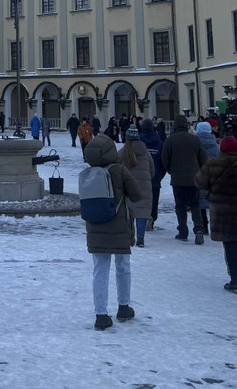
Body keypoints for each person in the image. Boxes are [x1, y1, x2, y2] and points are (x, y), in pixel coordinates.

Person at [83, 135, 141, 330]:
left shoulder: (87, 174)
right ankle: (123, 307)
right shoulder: (120, 170)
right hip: (119, 226)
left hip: (95, 228)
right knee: (123, 266)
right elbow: (137, 195)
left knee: (100, 270)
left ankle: (100, 315)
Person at [196, 135, 237, 293]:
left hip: (223, 213)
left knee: (230, 244)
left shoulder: (212, 164)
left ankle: (234, 281)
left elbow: (199, 182)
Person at [161, 115, 208, 243]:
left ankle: (183, 231)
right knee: (195, 204)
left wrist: (171, 170)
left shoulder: (170, 140)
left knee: (180, 205)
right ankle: (199, 229)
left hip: (178, 179)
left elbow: (164, 159)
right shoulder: (195, 139)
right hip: (194, 178)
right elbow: (203, 158)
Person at [120, 126, 154, 247]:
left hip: (127, 187)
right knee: (142, 213)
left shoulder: (122, 152)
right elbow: (152, 171)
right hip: (144, 187)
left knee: (129, 213)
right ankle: (140, 238)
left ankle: (129, 237)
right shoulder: (146, 153)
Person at [138, 118, 164, 231]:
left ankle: (142, 219)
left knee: (142, 199)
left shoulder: (138, 141)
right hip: (155, 176)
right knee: (154, 199)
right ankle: (152, 217)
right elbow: (163, 160)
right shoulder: (159, 141)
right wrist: (160, 174)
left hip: (140, 176)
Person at [195, 121, 220, 236]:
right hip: (213, 175)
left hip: (199, 174)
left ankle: (203, 226)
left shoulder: (195, 143)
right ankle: (215, 226)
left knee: (200, 202)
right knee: (213, 201)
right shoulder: (214, 143)